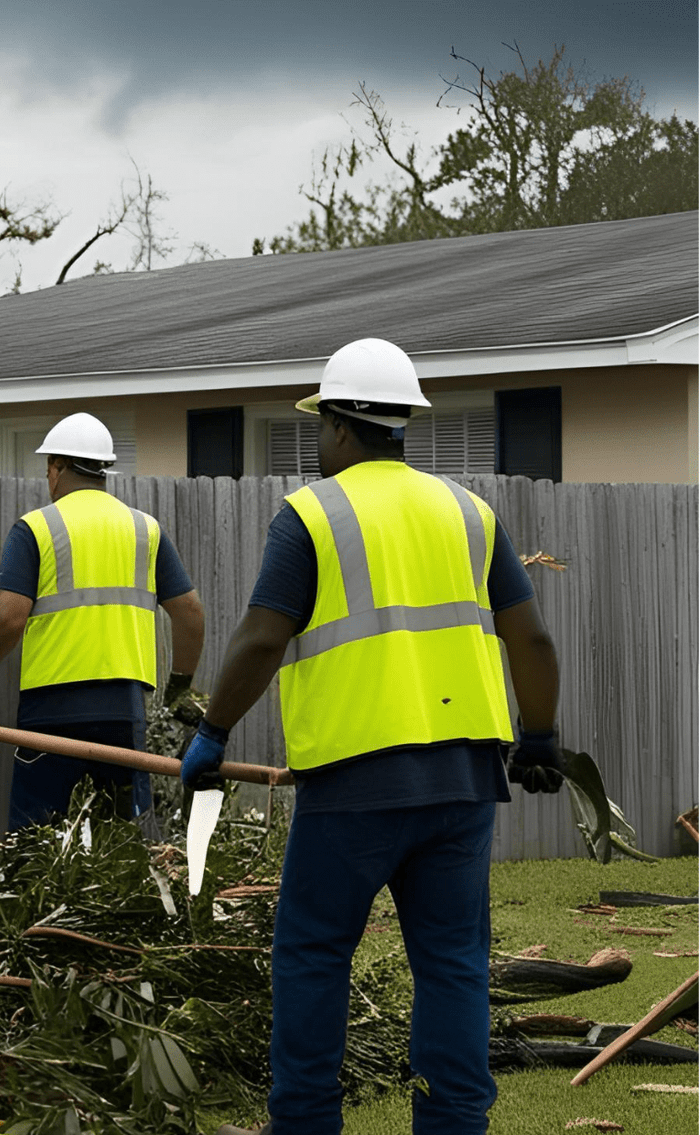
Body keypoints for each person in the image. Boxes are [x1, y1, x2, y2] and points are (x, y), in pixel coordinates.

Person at [184, 339, 563, 1135]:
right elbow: (531, 641)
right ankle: (457, 1123)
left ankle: (305, 1125)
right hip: (464, 781)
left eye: (319, 426)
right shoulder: (470, 512)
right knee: (453, 965)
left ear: (340, 426)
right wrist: (539, 737)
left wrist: (212, 734)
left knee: (314, 957)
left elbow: (259, 641)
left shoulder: (313, 516)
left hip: (355, 786)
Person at [0, 412, 204, 831]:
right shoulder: (145, 530)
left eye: (48, 465)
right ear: (104, 470)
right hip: (123, 706)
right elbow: (190, 613)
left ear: (58, 467)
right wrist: (179, 686)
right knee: (125, 842)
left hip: (51, 710)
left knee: (35, 839)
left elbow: (9, 617)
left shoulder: (36, 529)